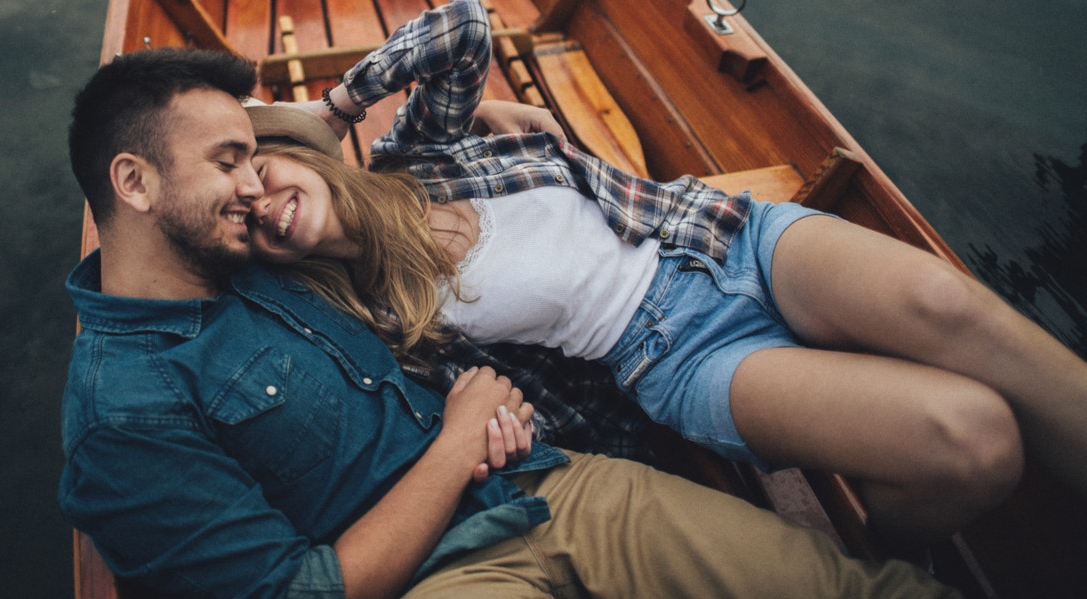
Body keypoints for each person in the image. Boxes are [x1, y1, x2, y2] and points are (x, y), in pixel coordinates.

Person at [59, 40, 958, 598]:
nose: (254, 188)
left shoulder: (251, 247)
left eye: (255, 160)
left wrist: (363, 123)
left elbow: (381, 193)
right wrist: (454, 445)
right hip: (447, 577)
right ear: (133, 183)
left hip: (555, 485)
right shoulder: (122, 417)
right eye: (227, 162)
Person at [242, 0, 1087, 547]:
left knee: (948, 299)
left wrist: (331, 111)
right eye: (244, 220)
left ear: (299, 155)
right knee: (971, 442)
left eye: (265, 171)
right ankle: (879, 558)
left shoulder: (414, 155)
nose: (265, 205)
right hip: (676, 356)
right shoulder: (378, 326)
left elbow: (461, 25)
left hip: (720, 235)